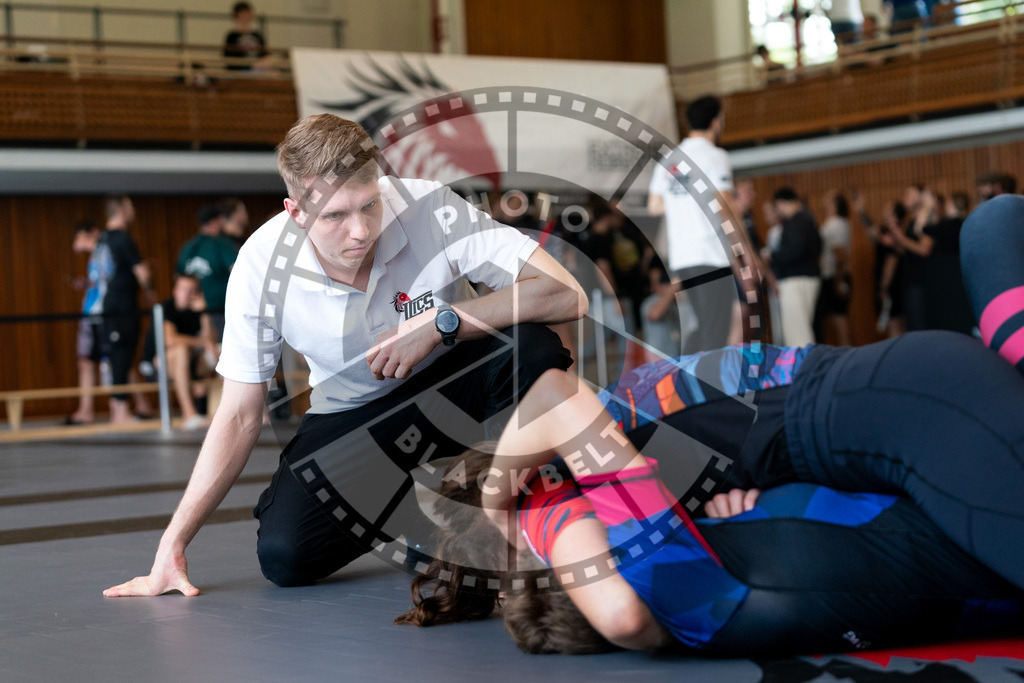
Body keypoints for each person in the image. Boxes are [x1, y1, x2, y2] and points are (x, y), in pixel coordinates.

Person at [398, 196, 1024, 652]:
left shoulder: (561, 490)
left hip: (898, 408)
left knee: (994, 225)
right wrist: (751, 510)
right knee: (992, 224)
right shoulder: (640, 500)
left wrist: (507, 506)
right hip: (899, 423)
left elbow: (618, 608)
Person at [103, 113, 586, 597]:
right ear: (295, 212)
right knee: (285, 556)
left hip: (455, 385)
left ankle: (521, 505)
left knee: (532, 345)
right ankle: (430, 509)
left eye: (369, 205)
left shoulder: (431, 208)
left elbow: (567, 294)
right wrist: (174, 541)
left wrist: (444, 324)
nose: (360, 231)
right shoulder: (259, 266)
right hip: (353, 413)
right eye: (334, 216)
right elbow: (239, 415)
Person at [647, 95, 760, 355]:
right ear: (716, 121)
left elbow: (654, 206)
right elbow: (726, 207)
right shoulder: (715, 155)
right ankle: (703, 392)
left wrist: (683, 201)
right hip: (709, 255)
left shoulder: (670, 158)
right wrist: (747, 255)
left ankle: (687, 386)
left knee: (703, 327)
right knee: (715, 333)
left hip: (681, 258)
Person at [97, 195, 156, 424]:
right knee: (121, 355)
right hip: (121, 307)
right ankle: (119, 412)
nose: (133, 211)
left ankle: (122, 409)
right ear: (121, 210)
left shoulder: (103, 239)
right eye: (130, 206)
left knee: (121, 357)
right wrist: (150, 291)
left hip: (110, 306)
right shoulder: (122, 238)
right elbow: (142, 273)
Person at [155, 273, 219, 430]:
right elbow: (170, 340)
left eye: (192, 290)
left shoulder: (197, 309)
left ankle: (223, 413)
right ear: (175, 291)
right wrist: (202, 342)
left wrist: (203, 314)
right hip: (161, 361)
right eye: (183, 289)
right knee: (180, 350)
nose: (187, 294)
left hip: (192, 362)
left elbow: (210, 342)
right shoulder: (167, 307)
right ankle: (189, 414)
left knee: (221, 351)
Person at [177, 203, 238, 341]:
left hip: (190, 313)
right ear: (214, 222)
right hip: (219, 311)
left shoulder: (187, 247)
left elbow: (178, 277)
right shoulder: (222, 244)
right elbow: (238, 272)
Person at [767, 187, 821, 346]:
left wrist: (771, 255)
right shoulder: (808, 219)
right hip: (805, 277)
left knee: (797, 334)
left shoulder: (797, 221)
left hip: (796, 280)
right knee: (801, 328)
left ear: (781, 203)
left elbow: (794, 251)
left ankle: (802, 369)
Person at [67, 221, 103, 425]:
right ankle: (85, 409)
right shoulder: (95, 257)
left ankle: (86, 410)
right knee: (86, 362)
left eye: (81, 236)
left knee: (115, 361)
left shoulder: (102, 252)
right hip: (92, 312)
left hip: (98, 314)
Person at [814, 191, 853, 345]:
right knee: (837, 318)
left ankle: (846, 355)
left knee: (839, 318)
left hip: (834, 276)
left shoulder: (835, 224)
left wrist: (839, 280)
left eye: (829, 199)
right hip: (834, 275)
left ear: (835, 204)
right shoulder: (838, 222)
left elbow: (839, 255)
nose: (825, 200)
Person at [223, 1, 269, 71]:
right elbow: (228, 57)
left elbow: (265, 54)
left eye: (248, 13)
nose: (247, 16)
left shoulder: (257, 35)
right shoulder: (232, 36)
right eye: (244, 14)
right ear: (237, 15)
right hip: (241, 68)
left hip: (259, 66)